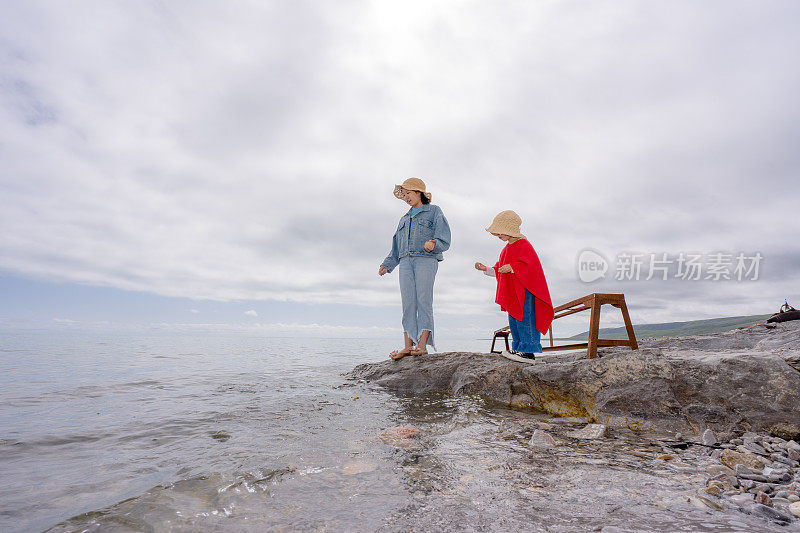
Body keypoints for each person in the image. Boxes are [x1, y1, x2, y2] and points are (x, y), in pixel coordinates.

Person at [379, 178, 451, 359]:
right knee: (408, 303)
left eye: (408, 193)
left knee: (423, 301)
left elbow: (444, 237)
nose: (406, 197)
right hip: (404, 262)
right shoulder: (404, 218)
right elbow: (396, 246)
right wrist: (387, 265)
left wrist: (434, 243)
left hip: (426, 260)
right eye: (404, 195)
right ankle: (407, 346)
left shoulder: (434, 211)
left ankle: (422, 346)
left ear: (419, 192)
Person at [474, 210, 554, 363]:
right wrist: (486, 269)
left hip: (525, 291)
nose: (498, 235)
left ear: (509, 230)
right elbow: (500, 270)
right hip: (513, 293)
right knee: (514, 320)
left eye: (500, 232)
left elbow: (531, 267)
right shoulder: (505, 249)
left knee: (526, 319)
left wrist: (513, 267)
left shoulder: (524, 245)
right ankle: (518, 347)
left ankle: (528, 352)